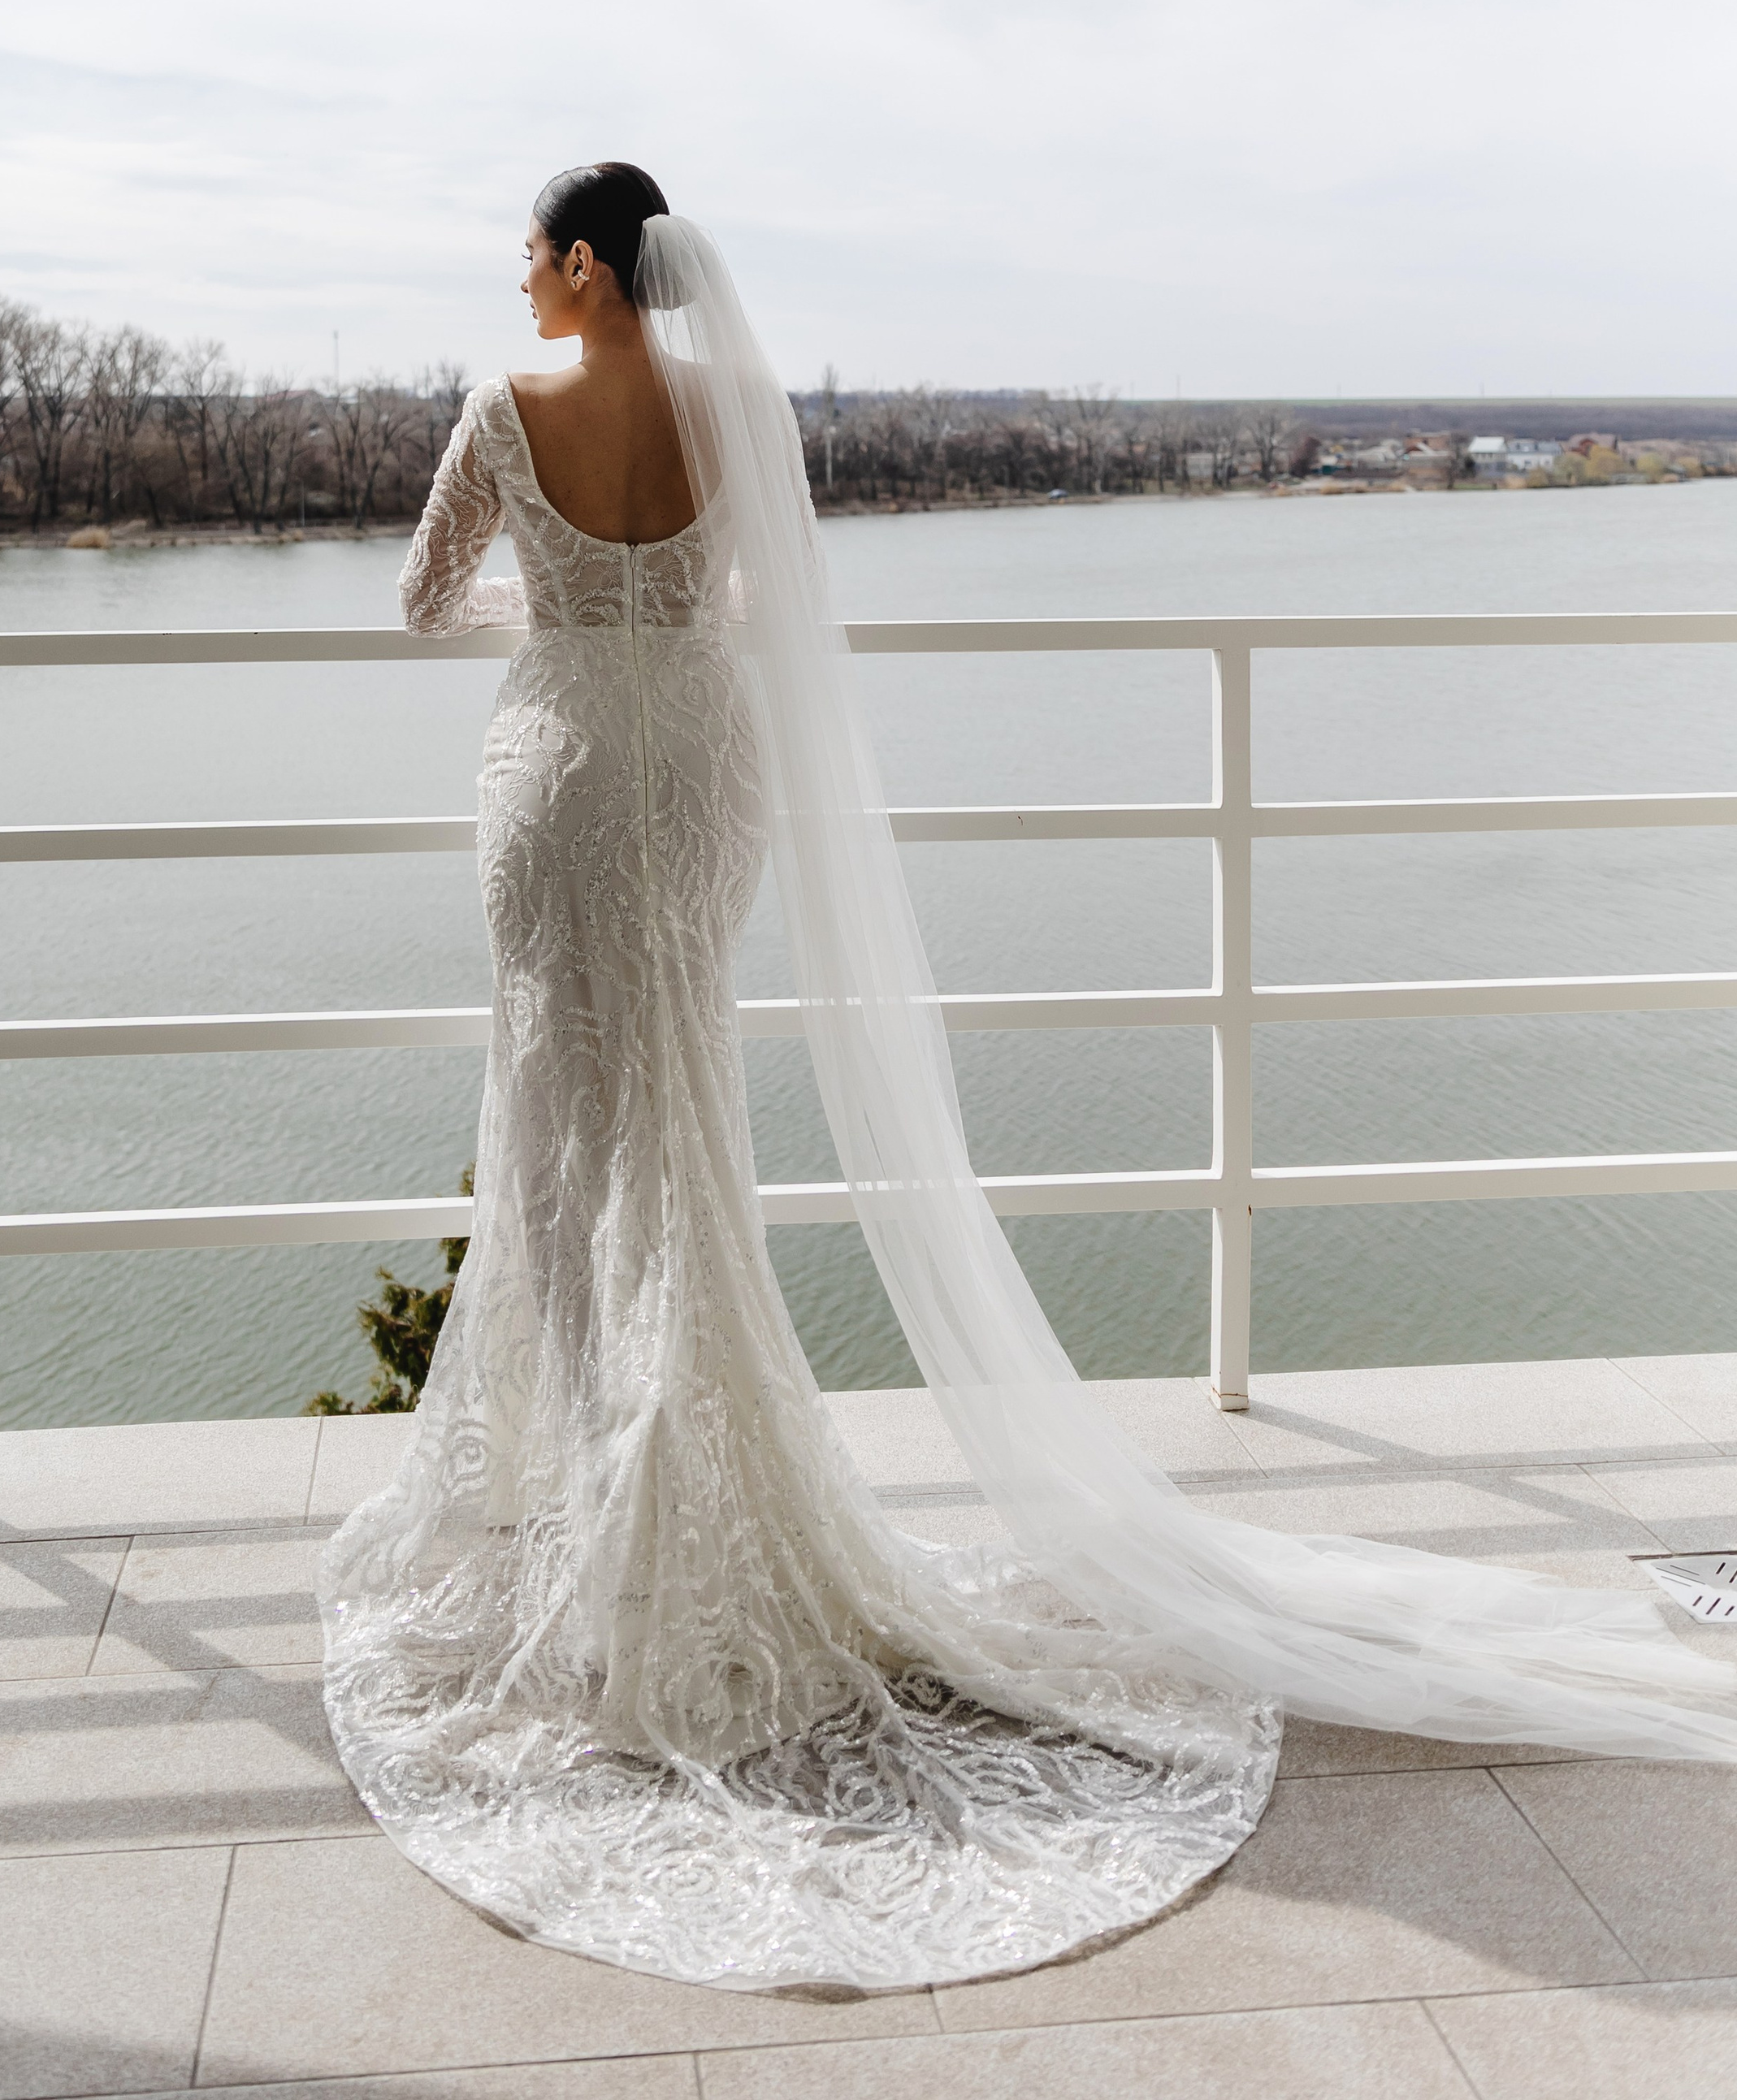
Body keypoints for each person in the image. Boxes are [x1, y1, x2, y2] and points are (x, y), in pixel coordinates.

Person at [319, 163, 1737, 1994]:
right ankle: (672, 1508)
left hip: (567, 769)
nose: (511, 272)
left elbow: (422, 599)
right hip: (699, 767)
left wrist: (566, 628)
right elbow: (760, 598)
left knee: (564, 1150)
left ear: (584, 266)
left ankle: (601, 1529)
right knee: (680, 1133)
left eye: (528, 246)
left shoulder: (500, 407)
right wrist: (650, 624)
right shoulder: (726, 404)